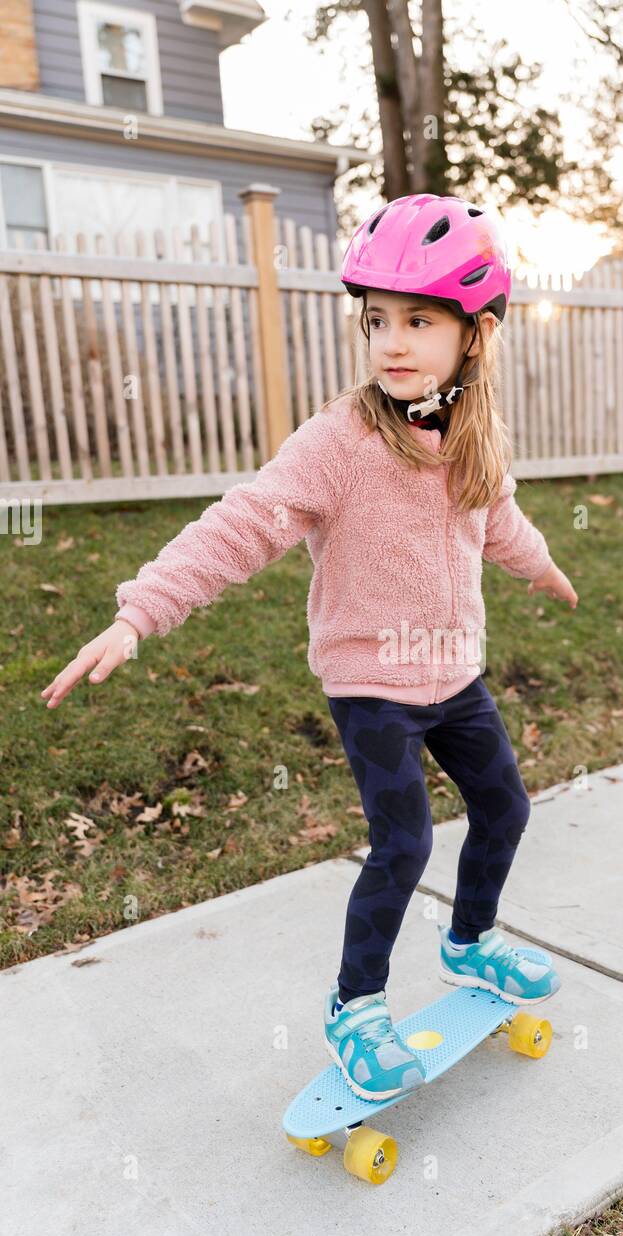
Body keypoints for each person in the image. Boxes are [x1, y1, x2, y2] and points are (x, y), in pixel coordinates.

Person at [40, 192, 579, 1103]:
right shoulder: (339, 442)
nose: (392, 342)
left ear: (474, 336)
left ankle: (470, 942)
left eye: (418, 321)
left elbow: (498, 519)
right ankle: (356, 1005)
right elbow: (242, 525)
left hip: (457, 677)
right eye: (377, 321)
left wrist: (543, 568)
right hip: (371, 683)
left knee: (506, 810)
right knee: (402, 843)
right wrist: (140, 614)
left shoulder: (472, 434)